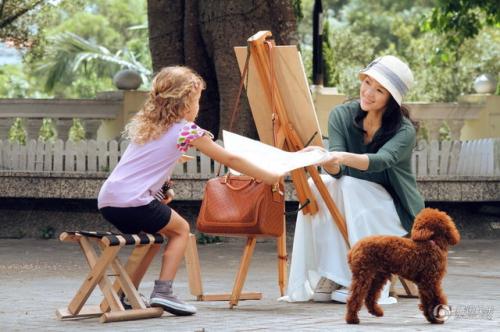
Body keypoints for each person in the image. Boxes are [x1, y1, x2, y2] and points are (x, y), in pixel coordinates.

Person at [97, 66, 283, 316]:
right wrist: (269, 176)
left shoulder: (148, 127)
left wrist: (164, 188)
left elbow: (145, 167)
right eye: (196, 101)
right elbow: (230, 159)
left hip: (109, 200)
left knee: (154, 238)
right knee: (180, 230)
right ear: (185, 102)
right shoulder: (187, 130)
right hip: (134, 201)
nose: (198, 106)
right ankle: (163, 292)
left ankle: (125, 294)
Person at [282, 55, 425, 304]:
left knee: (346, 186)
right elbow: (337, 172)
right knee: (322, 185)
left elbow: (381, 160)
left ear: (391, 99)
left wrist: (337, 155)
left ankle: (360, 277)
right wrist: (325, 158)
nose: (368, 92)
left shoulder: (404, 131)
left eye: (379, 90)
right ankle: (333, 271)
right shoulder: (341, 115)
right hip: (350, 196)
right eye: (367, 82)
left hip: (394, 207)